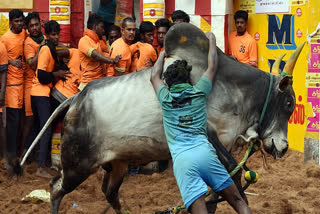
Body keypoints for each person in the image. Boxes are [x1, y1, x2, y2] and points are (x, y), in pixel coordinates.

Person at [150, 32, 252, 214]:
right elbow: (212, 66)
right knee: (238, 201)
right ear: (188, 79)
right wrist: (212, 40)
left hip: (183, 162)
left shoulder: (165, 97)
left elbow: (153, 76)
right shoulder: (199, 92)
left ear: (169, 83)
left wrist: (162, 54)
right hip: (205, 154)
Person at [29, 20, 69, 178]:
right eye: (53, 34)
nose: (56, 37)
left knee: (37, 128)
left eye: (58, 34)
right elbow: (42, 75)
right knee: (45, 130)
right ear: (47, 35)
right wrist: (56, 75)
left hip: (40, 93)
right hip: (40, 93)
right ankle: (40, 167)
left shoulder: (50, 48)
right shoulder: (46, 49)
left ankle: (26, 159)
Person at [0, 9, 27, 164]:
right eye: (16, 21)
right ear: (10, 22)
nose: (19, 24)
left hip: (22, 84)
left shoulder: (24, 34)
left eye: (21, 20)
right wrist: (10, 61)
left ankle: (15, 153)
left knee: (20, 122)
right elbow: (1, 59)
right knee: (13, 122)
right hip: (10, 85)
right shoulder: (5, 39)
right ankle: (9, 155)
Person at [20, 12, 46, 160]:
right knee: (29, 121)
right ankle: (22, 154)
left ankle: (31, 155)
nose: (35, 28)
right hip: (30, 85)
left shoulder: (44, 38)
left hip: (42, 84)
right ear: (28, 29)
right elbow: (32, 63)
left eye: (36, 24)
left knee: (37, 122)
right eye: (31, 26)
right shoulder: (29, 42)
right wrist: (42, 48)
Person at [78, 14, 120, 90]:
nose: (103, 31)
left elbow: (110, 50)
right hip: (87, 85)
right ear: (95, 27)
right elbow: (95, 55)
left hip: (99, 82)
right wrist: (112, 61)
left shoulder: (98, 41)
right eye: (102, 27)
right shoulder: (84, 40)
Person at [0, 41, 8, 159]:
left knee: (0, 123)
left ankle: (4, 158)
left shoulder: (1, 47)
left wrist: (2, 92)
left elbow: (3, 72)